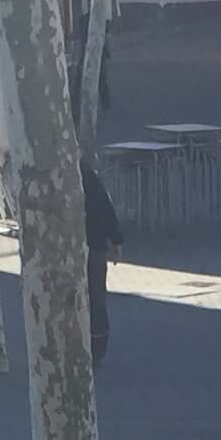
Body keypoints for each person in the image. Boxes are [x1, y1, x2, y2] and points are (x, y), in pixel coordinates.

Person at [80, 155, 124, 366]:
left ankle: (86, 345)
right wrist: (115, 239)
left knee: (83, 298)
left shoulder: (54, 171)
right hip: (93, 245)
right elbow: (104, 205)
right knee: (96, 297)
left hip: (75, 248)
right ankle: (96, 348)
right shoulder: (86, 174)